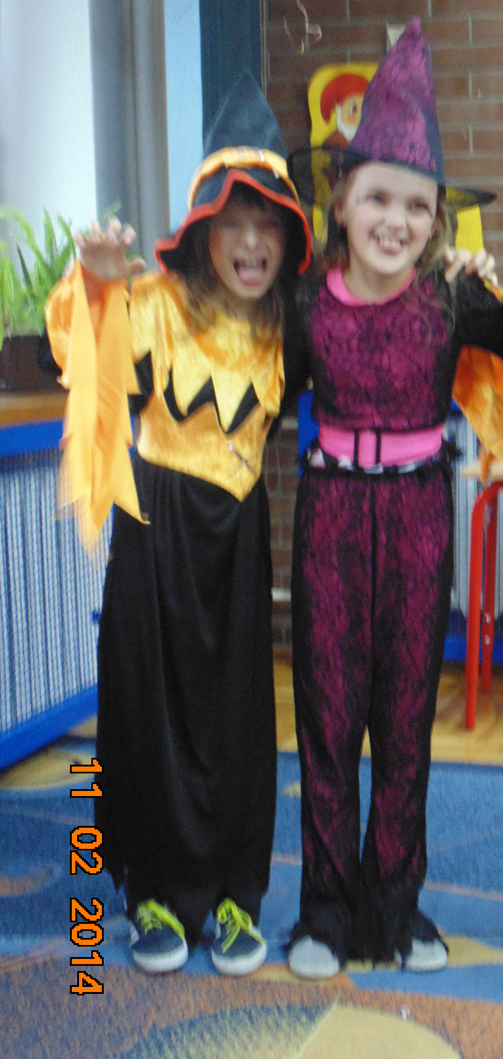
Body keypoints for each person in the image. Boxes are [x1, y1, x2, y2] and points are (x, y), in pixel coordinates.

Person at [282, 17, 503, 981]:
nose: (396, 222)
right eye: (377, 198)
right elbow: (244, 381)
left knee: (406, 718)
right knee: (327, 719)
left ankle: (394, 906)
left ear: (435, 222)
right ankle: (325, 913)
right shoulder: (304, 306)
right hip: (329, 522)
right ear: (341, 203)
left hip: (419, 521)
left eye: (417, 207)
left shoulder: (451, 300)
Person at [45, 72, 314, 976]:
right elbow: (82, 363)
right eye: (234, 222)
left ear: (287, 237)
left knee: (237, 722)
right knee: (145, 711)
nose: (251, 242)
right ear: (203, 230)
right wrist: (96, 286)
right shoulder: (156, 303)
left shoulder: (286, 327)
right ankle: (149, 892)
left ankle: (234, 895)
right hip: (153, 534)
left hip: (237, 542)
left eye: (268, 223)